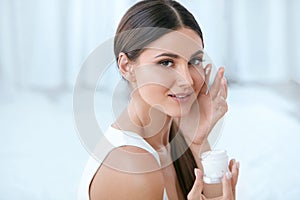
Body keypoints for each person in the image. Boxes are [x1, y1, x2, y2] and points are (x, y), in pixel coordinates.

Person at [78, 0, 239, 199]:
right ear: (127, 66)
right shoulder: (134, 168)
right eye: (166, 62)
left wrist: (198, 142)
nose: (187, 80)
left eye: (194, 61)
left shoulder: (176, 136)